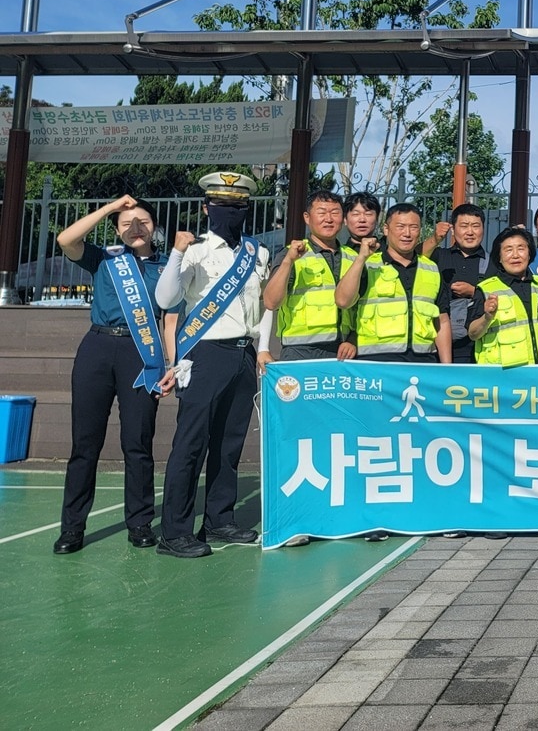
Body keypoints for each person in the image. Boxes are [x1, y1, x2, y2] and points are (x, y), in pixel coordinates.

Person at [153, 171, 271, 558]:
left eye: (237, 206)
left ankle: (219, 520)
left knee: (229, 444)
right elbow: (167, 297)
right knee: (191, 444)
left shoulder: (258, 253)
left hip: (243, 354)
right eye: (222, 206)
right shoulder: (195, 249)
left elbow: (266, 306)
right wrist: (176, 252)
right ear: (207, 208)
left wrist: (264, 348)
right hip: (204, 353)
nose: (230, 213)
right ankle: (174, 532)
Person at [51, 195, 170, 554]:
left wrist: (169, 365)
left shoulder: (167, 267)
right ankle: (72, 528)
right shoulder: (105, 258)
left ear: (155, 226)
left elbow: (171, 320)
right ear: (116, 229)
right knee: (85, 444)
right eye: (126, 224)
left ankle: (139, 522)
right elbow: (65, 240)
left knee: (138, 443)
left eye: (143, 222)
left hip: (142, 354)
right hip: (98, 349)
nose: (135, 228)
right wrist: (107, 209)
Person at [335, 202, 451, 365]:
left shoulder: (431, 268)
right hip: (376, 363)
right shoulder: (368, 265)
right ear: (386, 229)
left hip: (423, 362)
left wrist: (447, 367)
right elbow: (342, 301)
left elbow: (442, 320)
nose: (407, 233)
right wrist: (361, 258)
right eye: (401, 226)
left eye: (414, 227)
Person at [261, 190, 357, 368]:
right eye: (321, 213)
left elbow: (362, 308)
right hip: (299, 352)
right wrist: (289, 261)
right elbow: (271, 302)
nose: (328, 219)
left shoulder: (354, 258)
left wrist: (353, 339)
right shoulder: (291, 254)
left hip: (342, 352)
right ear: (307, 217)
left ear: (343, 218)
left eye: (335, 213)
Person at [468, 227, 538, 365]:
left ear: (530, 254)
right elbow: (473, 334)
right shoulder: (486, 289)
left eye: (521, 248)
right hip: (503, 376)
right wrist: (487, 317)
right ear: (499, 257)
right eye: (508, 250)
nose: (515, 255)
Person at [432, 203, 489, 364]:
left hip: (479, 350)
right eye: (464, 226)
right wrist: (434, 239)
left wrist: (474, 292)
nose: (470, 232)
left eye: (475, 226)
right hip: (439, 349)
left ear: (483, 228)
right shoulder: (438, 256)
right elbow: (413, 258)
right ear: (453, 229)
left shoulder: (493, 262)